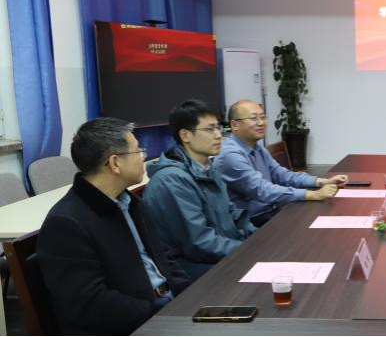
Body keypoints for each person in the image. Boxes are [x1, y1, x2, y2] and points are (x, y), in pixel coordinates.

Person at [37, 118, 192, 336]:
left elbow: (165, 258)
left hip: (165, 308)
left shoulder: (131, 202)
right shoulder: (66, 223)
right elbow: (90, 304)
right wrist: (160, 314)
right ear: (115, 163)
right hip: (137, 323)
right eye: (138, 151)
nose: (144, 156)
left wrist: (191, 297)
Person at [144, 99, 255, 279]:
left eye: (218, 128)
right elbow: (199, 243)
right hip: (195, 269)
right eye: (210, 129)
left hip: (223, 254)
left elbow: (230, 213)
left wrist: (258, 237)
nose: (219, 135)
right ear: (185, 135)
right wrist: (249, 250)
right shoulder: (171, 180)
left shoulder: (207, 167)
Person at [214, 100, 347, 227]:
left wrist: (322, 181)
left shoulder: (257, 148)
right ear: (235, 125)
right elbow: (262, 190)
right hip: (251, 221)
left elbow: (283, 175)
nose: (261, 123)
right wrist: (313, 194)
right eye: (254, 118)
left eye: (263, 117)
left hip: (270, 211)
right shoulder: (230, 155)